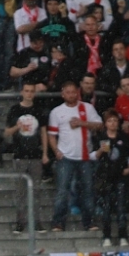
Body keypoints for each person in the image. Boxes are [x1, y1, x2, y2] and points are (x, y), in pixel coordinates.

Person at [48, 81, 104, 230]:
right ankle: (58, 222)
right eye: (68, 92)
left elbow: (100, 125)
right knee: (62, 191)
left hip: (85, 157)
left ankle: (89, 222)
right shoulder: (56, 112)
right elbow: (51, 135)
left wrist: (82, 123)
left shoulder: (87, 108)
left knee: (88, 191)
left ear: (77, 92)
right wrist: (56, 151)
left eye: (73, 92)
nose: (71, 95)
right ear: (63, 94)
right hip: (66, 157)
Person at [5, 82, 50, 233]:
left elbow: (43, 133)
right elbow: (7, 132)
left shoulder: (38, 110)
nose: (29, 94)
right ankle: (20, 222)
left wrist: (45, 153)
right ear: (22, 92)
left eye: (31, 91)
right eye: (27, 91)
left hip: (35, 155)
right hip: (20, 155)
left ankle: (37, 222)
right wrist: (17, 127)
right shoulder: (15, 110)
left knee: (36, 191)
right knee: (20, 192)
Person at [96, 109, 129, 246]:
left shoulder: (123, 137)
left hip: (120, 176)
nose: (112, 123)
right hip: (106, 176)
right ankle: (106, 236)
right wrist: (100, 150)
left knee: (121, 207)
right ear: (105, 123)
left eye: (115, 121)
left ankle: (123, 235)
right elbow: (93, 156)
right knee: (106, 208)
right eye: (110, 121)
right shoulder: (100, 137)